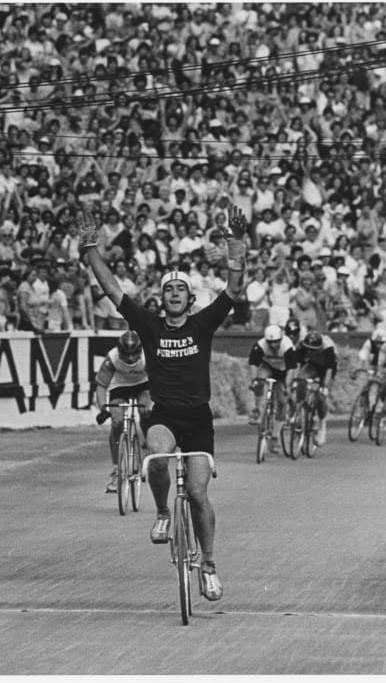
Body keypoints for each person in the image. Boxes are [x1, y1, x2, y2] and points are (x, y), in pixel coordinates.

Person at [80, 206, 253, 602]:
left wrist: (236, 242)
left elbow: (234, 288)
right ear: (161, 299)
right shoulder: (150, 326)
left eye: (180, 290)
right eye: (168, 290)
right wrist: (91, 249)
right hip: (165, 415)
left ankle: (208, 564)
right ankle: (161, 513)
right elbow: (113, 291)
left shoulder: (202, 323)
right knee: (155, 456)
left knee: (196, 493)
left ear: (190, 299)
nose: (174, 295)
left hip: (198, 419)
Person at [94, 330, 151, 493]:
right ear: (119, 352)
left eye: (134, 354)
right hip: (120, 387)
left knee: (146, 411)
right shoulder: (112, 358)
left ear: (140, 351)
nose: (131, 358)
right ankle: (116, 470)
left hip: (143, 385)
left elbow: (159, 381)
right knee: (117, 422)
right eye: (126, 355)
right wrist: (103, 408)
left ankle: (147, 447)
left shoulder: (149, 356)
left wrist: (153, 403)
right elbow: (101, 386)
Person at [246, 324, 296, 454]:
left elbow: (291, 369)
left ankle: (275, 436)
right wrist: (254, 380)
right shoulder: (260, 345)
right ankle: (257, 409)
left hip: (283, 371)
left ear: (281, 339)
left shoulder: (288, 346)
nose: (274, 345)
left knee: (282, 402)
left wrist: (287, 385)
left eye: (276, 342)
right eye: (270, 342)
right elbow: (253, 364)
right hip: (267, 367)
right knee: (259, 381)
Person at [291, 331, 339, 449]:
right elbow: (296, 365)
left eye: (314, 349)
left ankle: (322, 425)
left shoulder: (328, 349)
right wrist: (295, 381)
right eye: (309, 349)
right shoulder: (301, 345)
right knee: (300, 382)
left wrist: (324, 386)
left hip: (327, 368)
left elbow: (329, 371)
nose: (311, 351)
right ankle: (298, 411)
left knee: (321, 396)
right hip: (312, 364)